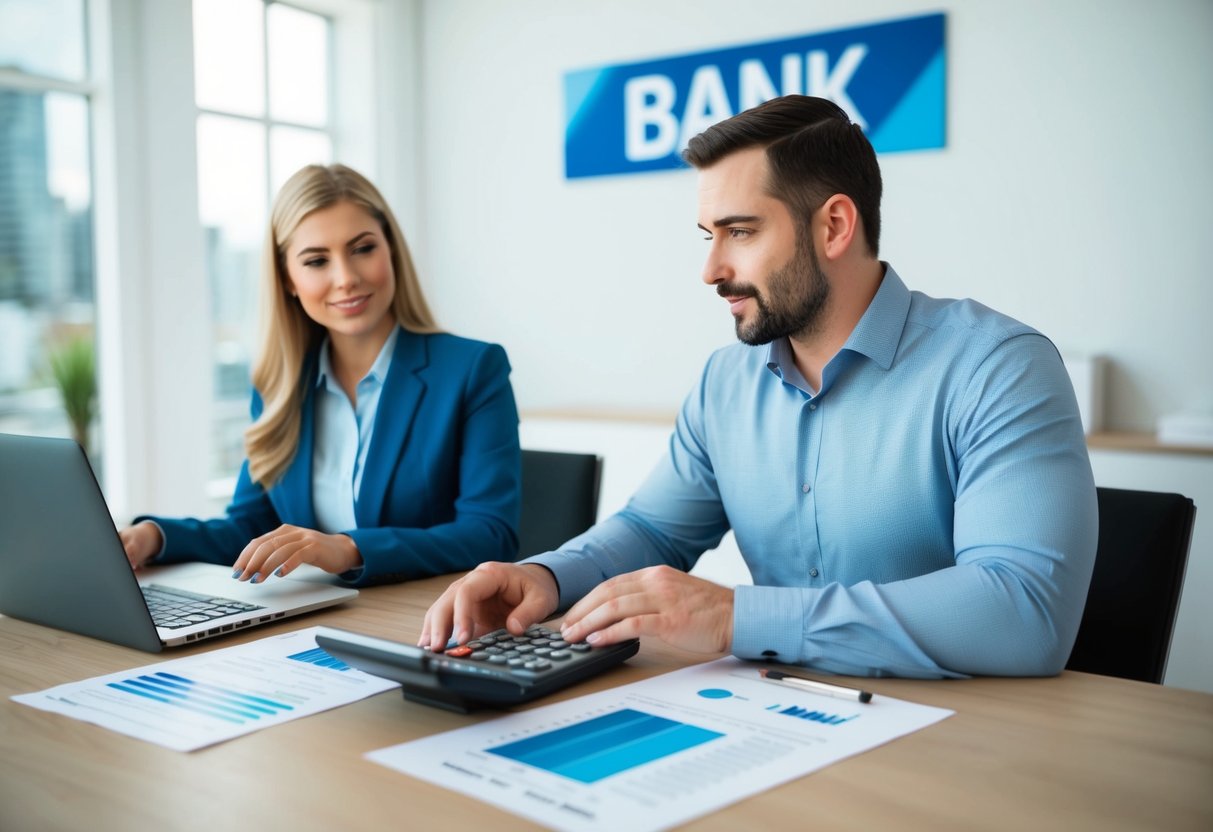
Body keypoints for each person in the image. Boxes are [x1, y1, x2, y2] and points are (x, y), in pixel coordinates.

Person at [420, 95, 1098, 678]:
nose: (710, 269)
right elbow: (653, 530)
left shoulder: (997, 367)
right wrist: (543, 577)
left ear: (833, 225)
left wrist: (737, 616)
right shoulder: (726, 381)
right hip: (774, 717)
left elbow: (1022, 612)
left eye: (739, 232)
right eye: (707, 236)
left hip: (962, 741)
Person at [120, 163, 521, 587]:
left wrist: (347, 549)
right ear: (288, 279)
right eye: (316, 260)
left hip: (424, 623)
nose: (346, 278)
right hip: (312, 622)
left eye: (363, 249)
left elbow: (490, 535)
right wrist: (155, 536)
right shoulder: (278, 387)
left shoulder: (473, 370)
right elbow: (252, 531)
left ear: (392, 252)